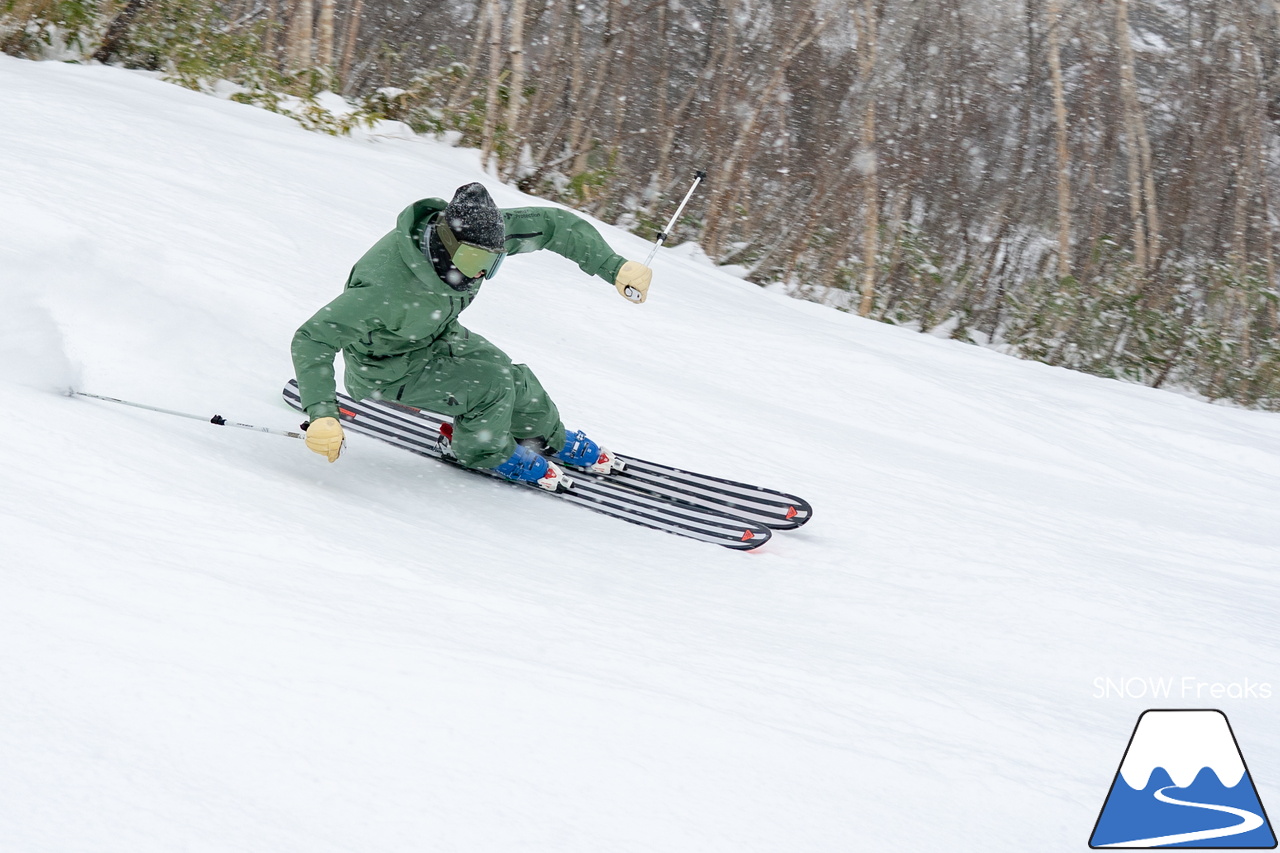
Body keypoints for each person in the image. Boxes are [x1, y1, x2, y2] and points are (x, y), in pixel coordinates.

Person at [291, 182, 654, 490]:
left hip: (436, 333)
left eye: (491, 264)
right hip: (386, 368)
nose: (480, 272)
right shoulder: (386, 285)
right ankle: (481, 450)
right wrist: (322, 412)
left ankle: (546, 435)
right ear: (444, 243)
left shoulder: (481, 236)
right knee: (490, 386)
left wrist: (614, 266)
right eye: (472, 262)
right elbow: (314, 338)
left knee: (509, 375)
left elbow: (554, 226)